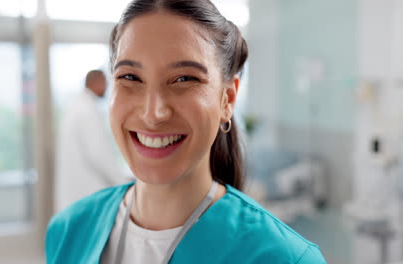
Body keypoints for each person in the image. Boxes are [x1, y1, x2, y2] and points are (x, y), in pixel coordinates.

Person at [46, 0, 327, 263]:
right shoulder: (69, 230)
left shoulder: (284, 258)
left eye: (184, 79)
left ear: (227, 100)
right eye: (130, 77)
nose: (153, 113)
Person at [55, 70, 129, 212]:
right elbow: (99, 154)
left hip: (77, 194)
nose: (107, 88)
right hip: (87, 193)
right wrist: (122, 183)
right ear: (96, 83)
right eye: (106, 84)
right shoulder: (87, 111)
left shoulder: (76, 107)